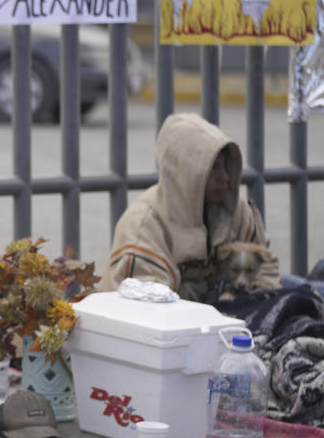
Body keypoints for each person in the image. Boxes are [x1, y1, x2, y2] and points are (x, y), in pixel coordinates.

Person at [99, 113, 281, 302]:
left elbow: (267, 271)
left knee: (305, 294)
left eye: (227, 167)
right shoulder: (144, 225)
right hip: (175, 321)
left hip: (227, 310)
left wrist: (254, 302)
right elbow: (148, 307)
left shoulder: (236, 209)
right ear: (186, 172)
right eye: (215, 168)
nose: (226, 178)